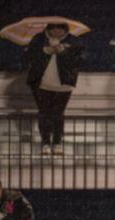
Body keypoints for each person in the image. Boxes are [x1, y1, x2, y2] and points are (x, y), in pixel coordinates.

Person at [25, 21, 83, 157]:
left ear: (66, 28)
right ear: (48, 28)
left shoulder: (74, 41)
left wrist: (63, 52)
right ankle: (45, 143)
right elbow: (28, 57)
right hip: (41, 83)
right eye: (54, 27)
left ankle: (57, 142)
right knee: (44, 112)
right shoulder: (39, 39)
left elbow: (81, 60)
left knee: (58, 113)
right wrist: (45, 51)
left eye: (61, 27)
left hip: (64, 85)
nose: (57, 31)